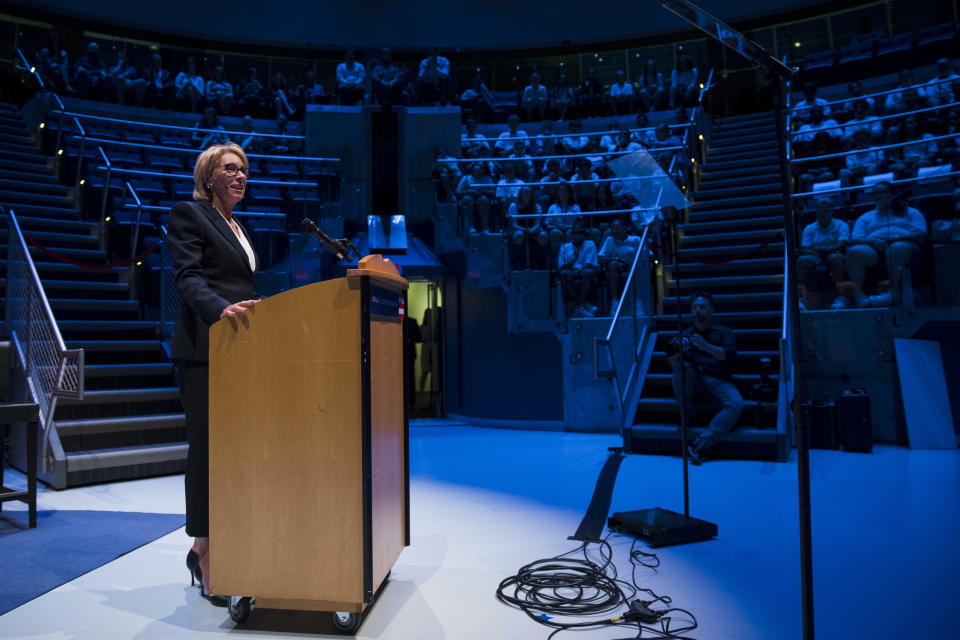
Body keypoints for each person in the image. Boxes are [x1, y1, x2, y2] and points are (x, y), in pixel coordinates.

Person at [168, 142, 260, 606]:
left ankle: (219, 542)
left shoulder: (238, 225)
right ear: (209, 176)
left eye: (243, 170)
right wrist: (220, 310)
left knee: (233, 453)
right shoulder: (190, 214)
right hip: (204, 350)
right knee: (206, 452)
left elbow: (241, 284)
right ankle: (204, 552)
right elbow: (187, 277)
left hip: (238, 352)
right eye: (230, 169)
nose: (241, 176)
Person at [668, 292, 743, 465]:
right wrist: (674, 354)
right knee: (681, 369)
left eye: (702, 307)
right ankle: (686, 415)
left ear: (711, 310)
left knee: (736, 403)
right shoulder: (685, 333)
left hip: (719, 380)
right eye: (695, 307)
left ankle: (702, 443)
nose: (698, 311)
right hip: (695, 381)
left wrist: (705, 346)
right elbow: (673, 364)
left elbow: (730, 357)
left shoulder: (724, 331)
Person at [846, 181, 927, 307]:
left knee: (897, 248)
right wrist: (873, 241)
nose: (879, 196)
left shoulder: (911, 212)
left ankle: (894, 293)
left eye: (882, 192)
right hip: (874, 247)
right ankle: (858, 296)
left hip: (904, 246)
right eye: (876, 193)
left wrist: (895, 238)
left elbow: (921, 233)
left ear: (893, 193)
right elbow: (856, 238)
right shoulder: (866, 217)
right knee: (855, 251)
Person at [797, 199, 850, 309]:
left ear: (832, 211)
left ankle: (842, 297)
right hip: (816, 256)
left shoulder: (841, 225)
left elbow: (842, 244)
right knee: (802, 260)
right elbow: (804, 248)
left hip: (834, 255)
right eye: (820, 210)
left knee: (834, 258)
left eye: (826, 210)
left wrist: (819, 249)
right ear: (816, 212)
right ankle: (799, 298)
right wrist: (827, 250)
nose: (823, 212)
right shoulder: (809, 228)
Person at [598, 218, 641, 310]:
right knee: (613, 265)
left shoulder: (635, 240)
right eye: (612, 229)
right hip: (618, 267)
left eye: (617, 228)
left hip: (635, 266)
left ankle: (638, 302)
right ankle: (614, 301)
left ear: (625, 228)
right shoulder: (609, 240)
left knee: (637, 268)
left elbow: (648, 255)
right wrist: (616, 259)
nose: (614, 231)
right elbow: (601, 257)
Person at [558, 224, 599, 317]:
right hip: (570, 270)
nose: (577, 235)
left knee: (587, 273)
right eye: (575, 233)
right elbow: (562, 266)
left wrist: (579, 269)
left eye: (579, 233)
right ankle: (583, 304)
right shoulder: (564, 247)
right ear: (571, 234)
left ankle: (578, 305)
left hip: (585, 270)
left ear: (584, 234)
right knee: (564, 274)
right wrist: (574, 258)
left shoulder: (590, 244)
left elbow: (590, 263)